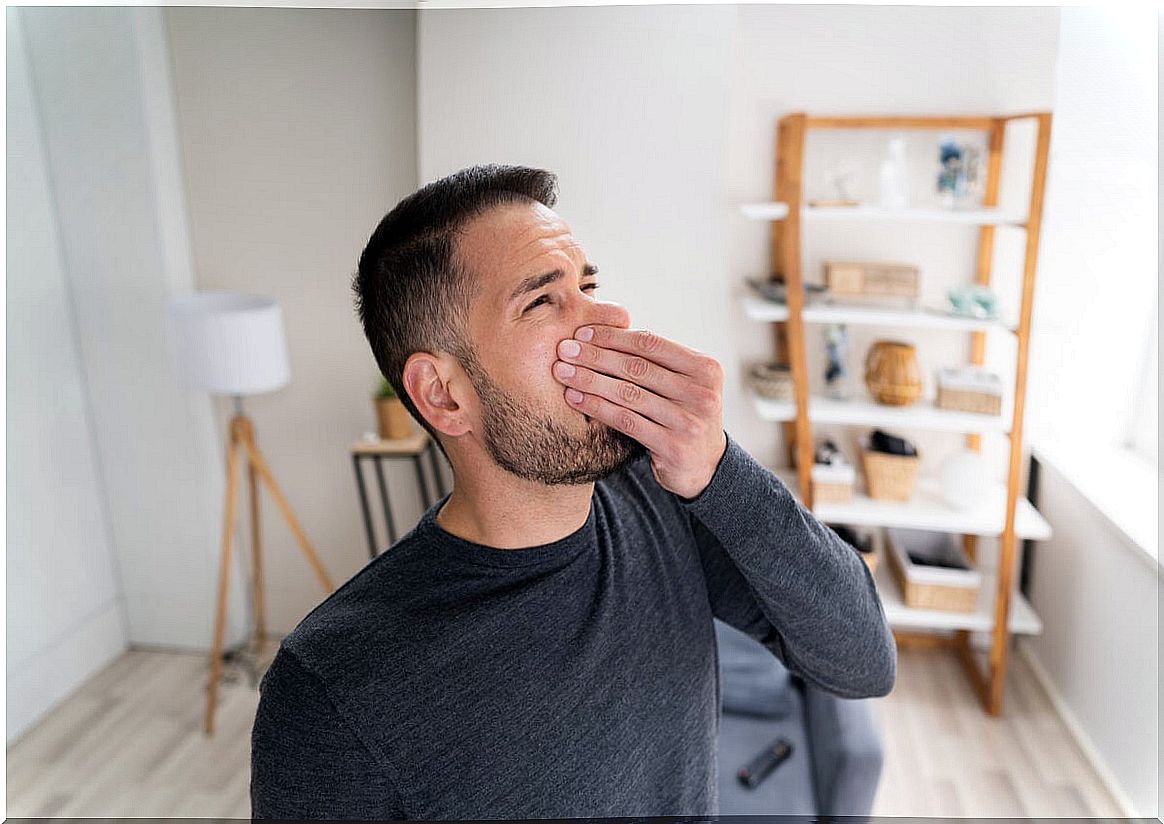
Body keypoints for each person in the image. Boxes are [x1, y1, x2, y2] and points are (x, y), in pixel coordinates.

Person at [250, 164, 896, 820]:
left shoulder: (663, 497)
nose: (609, 316)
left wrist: (721, 469)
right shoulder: (332, 689)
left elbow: (864, 662)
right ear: (443, 394)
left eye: (588, 285)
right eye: (542, 301)